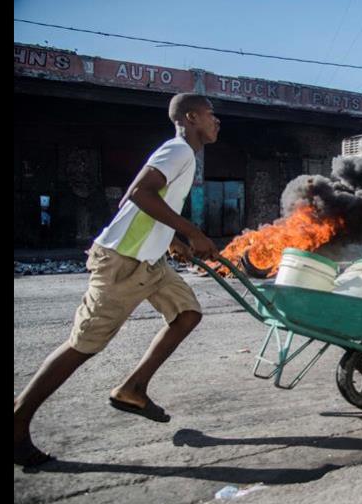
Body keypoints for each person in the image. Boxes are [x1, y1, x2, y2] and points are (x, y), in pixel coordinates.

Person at [14, 93, 221, 467]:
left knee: (187, 313)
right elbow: (138, 194)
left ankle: (133, 388)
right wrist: (192, 232)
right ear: (191, 117)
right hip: (123, 262)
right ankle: (16, 422)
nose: (217, 121)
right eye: (211, 115)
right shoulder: (178, 151)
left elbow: (152, 205)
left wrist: (172, 240)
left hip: (148, 263)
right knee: (83, 345)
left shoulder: (183, 155)